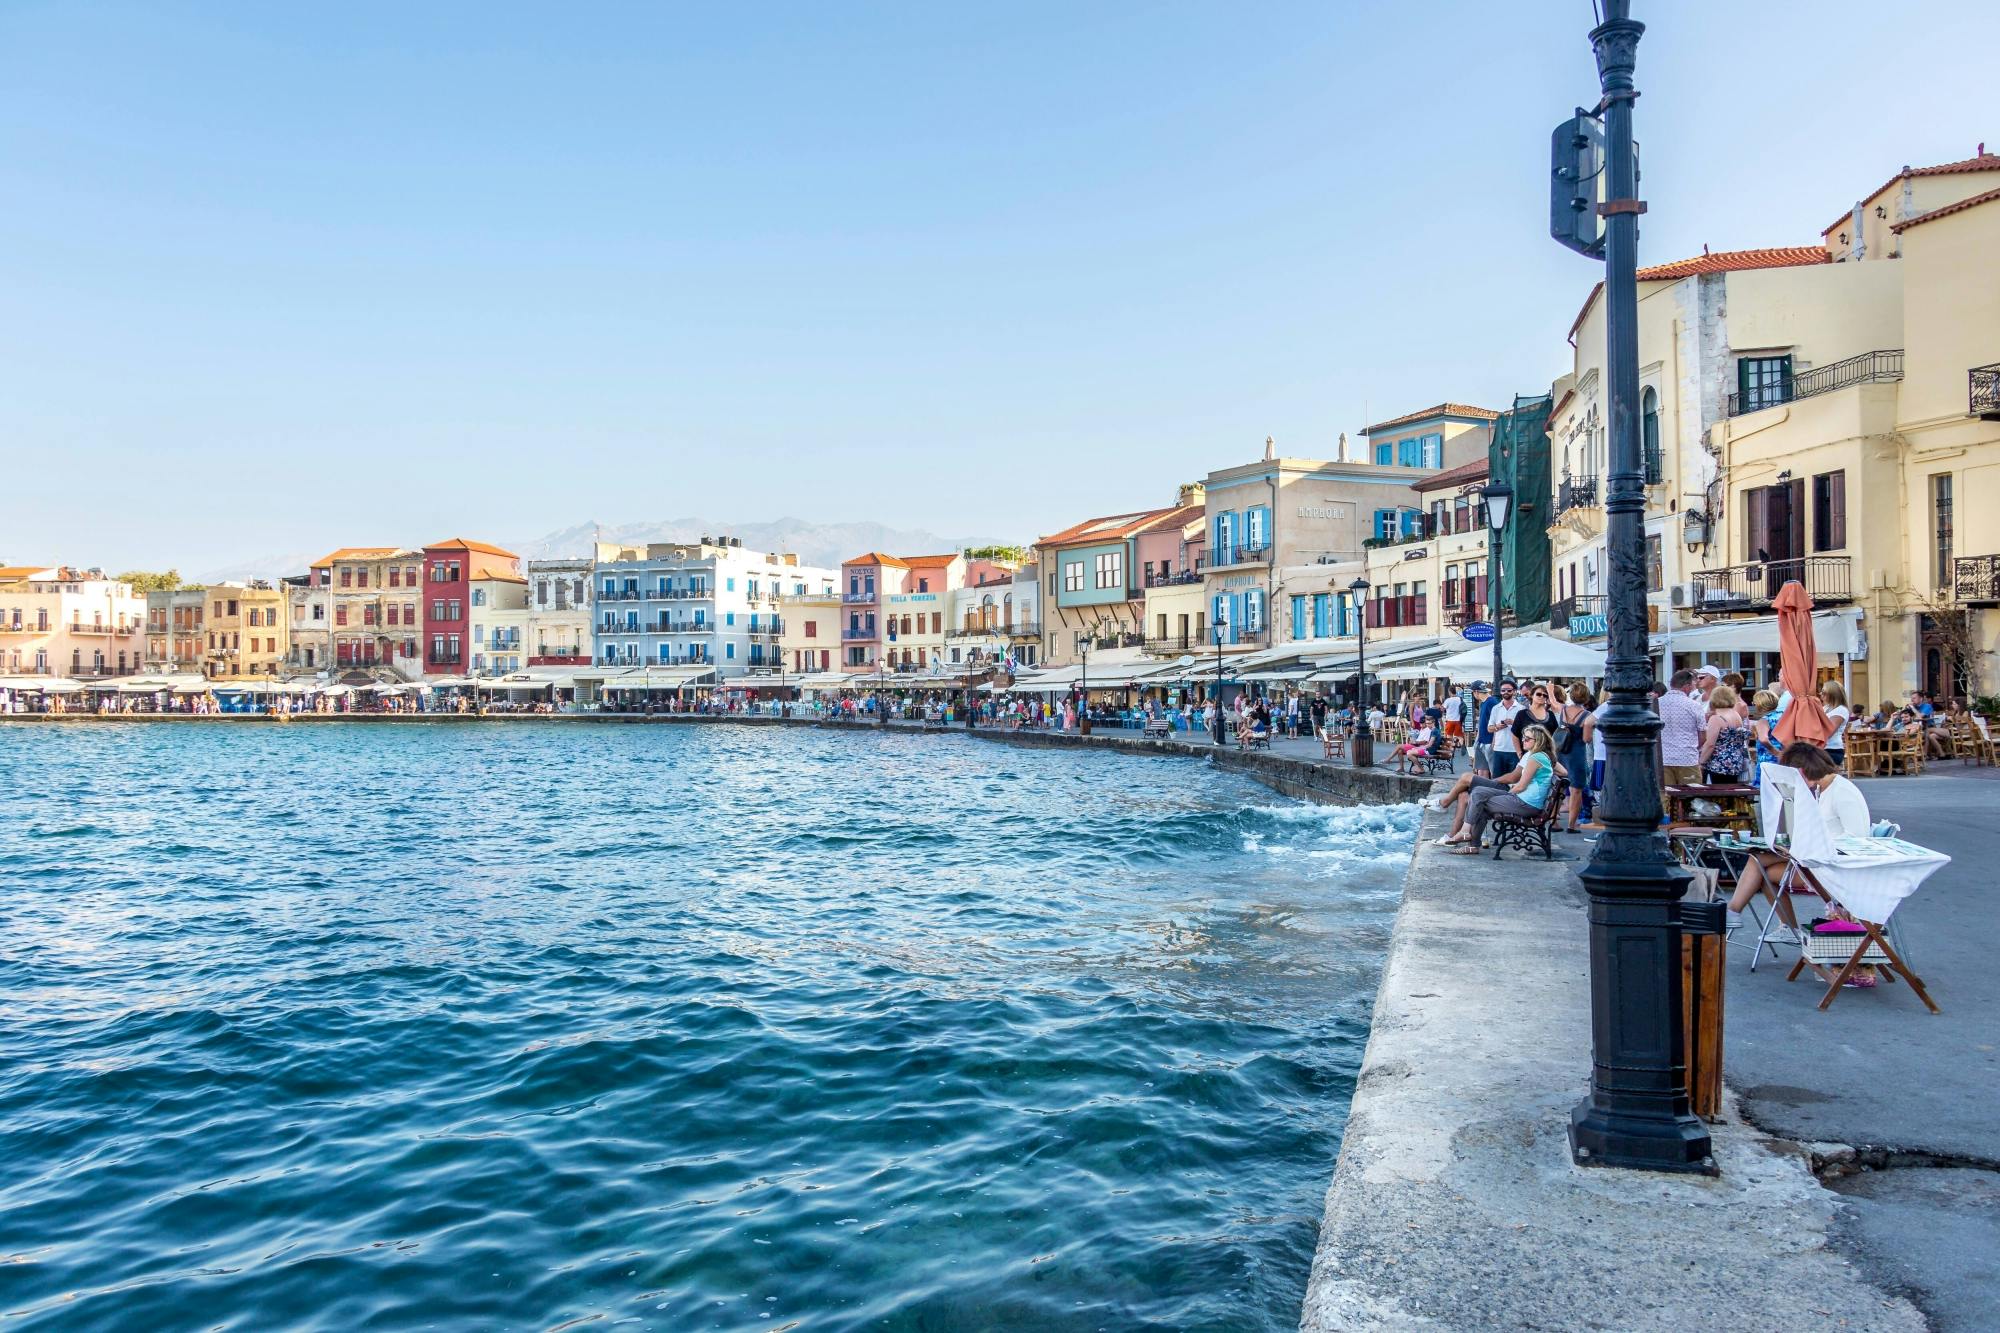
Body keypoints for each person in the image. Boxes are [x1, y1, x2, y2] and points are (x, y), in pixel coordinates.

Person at [1727, 740, 1873, 930]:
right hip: (1818, 859)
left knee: (1760, 863)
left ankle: (1736, 913)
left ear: (1801, 772)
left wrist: (1810, 844)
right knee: (1763, 868)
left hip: (1835, 867)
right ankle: (1769, 922)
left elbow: (1858, 840)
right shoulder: (1822, 789)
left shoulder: (1843, 791)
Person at [1442, 724, 1561, 853]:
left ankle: (1470, 841)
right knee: (1477, 792)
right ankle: (1467, 836)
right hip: (1525, 801)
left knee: (1479, 802)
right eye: (1523, 737)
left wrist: (1507, 795)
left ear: (1538, 741)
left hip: (1526, 804)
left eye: (1527, 739)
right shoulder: (1540, 756)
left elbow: (1521, 786)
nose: (1523, 741)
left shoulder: (1536, 757)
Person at [1658, 669, 1705, 799]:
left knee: (1666, 797)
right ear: (1687, 686)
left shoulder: (1657, 704)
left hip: (1663, 757)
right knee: (1691, 797)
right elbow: (1702, 734)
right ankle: (1689, 819)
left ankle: (1668, 819)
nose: (1694, 688)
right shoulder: (1693, 705)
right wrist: (1694, 746)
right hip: (1687, 757)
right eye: (1693, 685)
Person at [1555, 681, 1595, 833]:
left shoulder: (1563, 709)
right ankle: (1571, 825)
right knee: (1576, 790)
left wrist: (1551, 691)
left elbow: (1554, 703)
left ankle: (1554, 821)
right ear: (1586, 698)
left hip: (1561, 752)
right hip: (1576, 754)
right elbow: (1586, 739)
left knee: (1558, 787)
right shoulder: (1588, 716)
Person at [1697, 685, 1751, 785]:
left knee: (1718, 794)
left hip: (1719, 764)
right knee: (1731, 793)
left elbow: (1710, 744)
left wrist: (1701, 762)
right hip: (1735, 761)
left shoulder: (1716, 718)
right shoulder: (1736, 715)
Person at [1486, 680, 1525, 777]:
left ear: (1514, 691)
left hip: (1515, 750)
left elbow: (1526, 730)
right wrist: (1497, 726)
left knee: (1514, 780)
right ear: (1500, 692)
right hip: (1499, 749)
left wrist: (1514, 723)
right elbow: (1489, 728)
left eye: (1509, 690)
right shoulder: (1496, 708)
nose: (1506, 692)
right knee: (1497, 779)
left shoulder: (1521, 708)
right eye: (1503, 690)